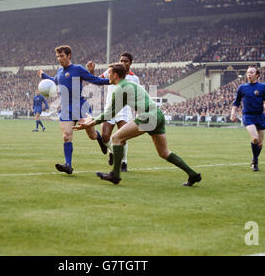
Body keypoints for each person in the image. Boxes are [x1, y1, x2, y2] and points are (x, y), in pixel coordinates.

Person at [74, 63, 202, 187]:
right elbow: (113, 112)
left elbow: (108, 114)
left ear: (116, 75)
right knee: (164, 152)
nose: (108, 76)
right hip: (158, 115)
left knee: (116, 138)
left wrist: (89, 124)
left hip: (148, 117)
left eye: (109, 73)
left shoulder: (120, 88)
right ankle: (193, 174)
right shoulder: (130, 84)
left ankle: (115, 174)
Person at [37, 45, 109, 174]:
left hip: (81, 107)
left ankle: (99, 138)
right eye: (58, 56)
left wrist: (111, 81)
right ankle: (68, 165)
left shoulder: (77, 69)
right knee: (66, 136)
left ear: (69, 56)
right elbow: (55, 81)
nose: (59, 59)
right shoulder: (59, 71)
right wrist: (44, 76)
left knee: (91, 135)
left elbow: (95, 80)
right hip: (66, 109)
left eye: (62, 56)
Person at [86, 52, 140, 172]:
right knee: (105, 136)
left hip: (124, 110)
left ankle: (124, 162)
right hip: (109, 108)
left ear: (130, 63)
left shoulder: (134, 78)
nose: (123, 63)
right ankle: (112, 151)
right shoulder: (109, 72)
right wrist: (91, 72)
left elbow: (136, 95)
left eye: (125, 61)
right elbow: (96, 81)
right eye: (121, 60)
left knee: (122, 137)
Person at [230, 66, 265, 172]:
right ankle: (255, 161)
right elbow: (236, 103)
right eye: (248, 72)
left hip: (260, 116)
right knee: (255, 139)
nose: (249, 74)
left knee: (260, 143)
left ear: (257, 75)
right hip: (248, 116)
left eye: (251, 72)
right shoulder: (242, 88)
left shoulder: (263, 86)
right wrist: (233, 113)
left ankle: (254, 160)